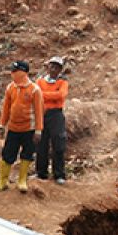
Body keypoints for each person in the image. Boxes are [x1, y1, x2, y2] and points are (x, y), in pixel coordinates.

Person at [0, 60, 44, 192]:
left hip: (28, 128)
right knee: (7, 154)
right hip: (13, 128)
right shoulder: (10, 88)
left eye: (15, 71)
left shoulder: (35, 90)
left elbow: (39, 111)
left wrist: (38, 130)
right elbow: (6, 107)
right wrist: (2, 124)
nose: (12, 74)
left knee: (27, 154)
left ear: (23, 73)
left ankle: (22, 180)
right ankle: (3, 181)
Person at [36, 56, 69, 184]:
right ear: (48, 67)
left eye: (57, 67)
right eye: (52, 66)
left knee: (58, 144)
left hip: (56, 115)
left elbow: (61, 95)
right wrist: (52, 96)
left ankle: (59, 174)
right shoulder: (40, 81)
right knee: (41, 144)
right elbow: (36, 95)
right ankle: (41, 173)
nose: (54, 69)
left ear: (60, 69)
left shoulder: (63, 82)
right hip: (42, 113)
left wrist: (44, 95)